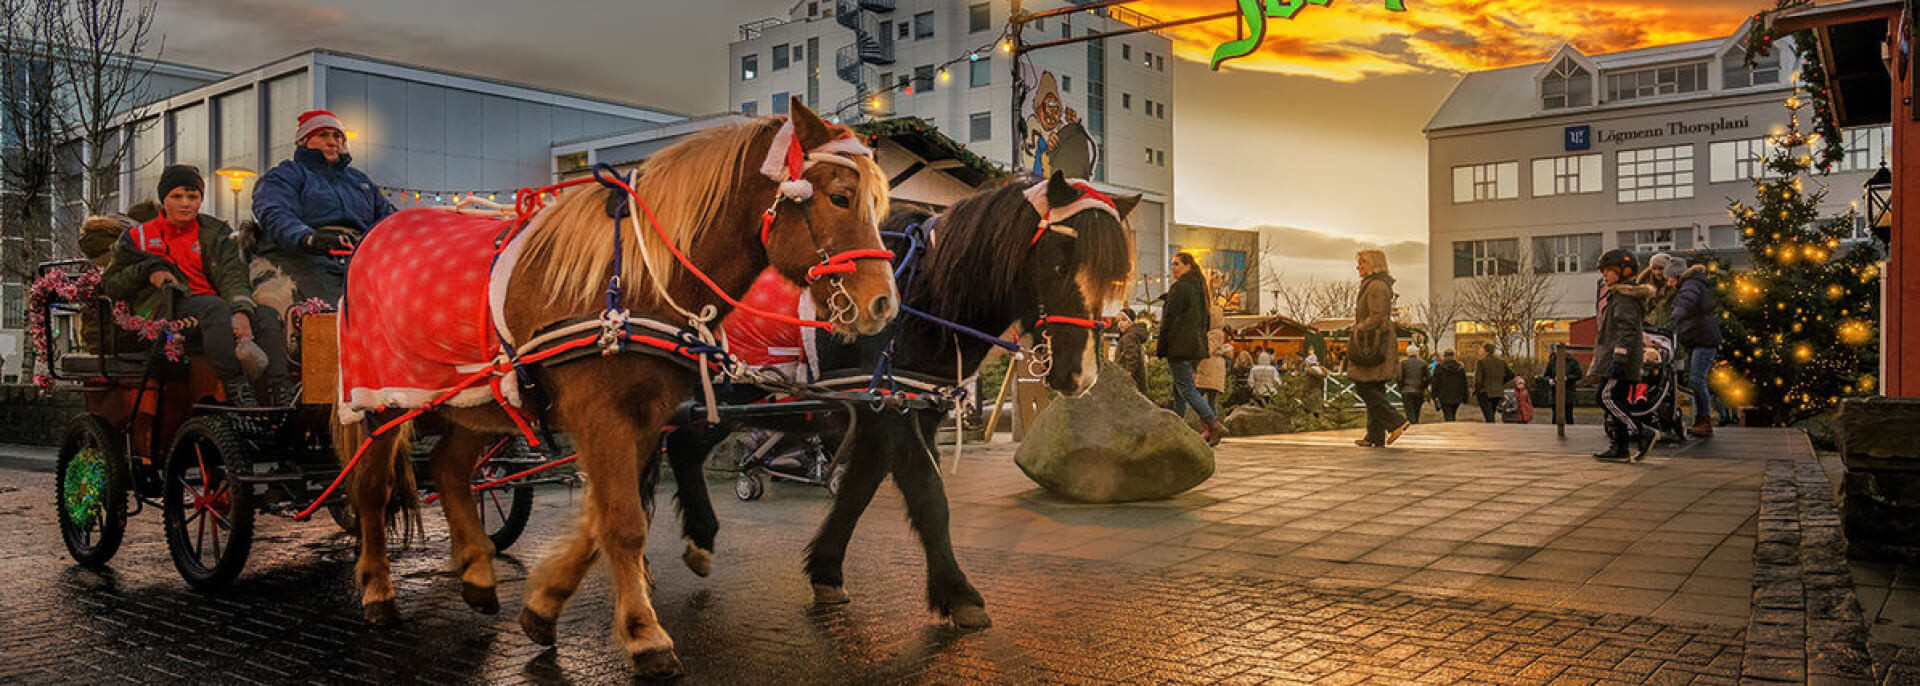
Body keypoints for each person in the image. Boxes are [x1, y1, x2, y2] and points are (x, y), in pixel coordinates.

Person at [103, 165, 294, 407]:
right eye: (177, 196)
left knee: (266, 315)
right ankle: (235, 387)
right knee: (213, 308)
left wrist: (241, 311)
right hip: (164, 309)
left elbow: (232, 275)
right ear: (164, 199)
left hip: (215, 308)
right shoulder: (137, 237)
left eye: (193, 197)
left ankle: (279, 389)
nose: (186, 203)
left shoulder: (215, 232)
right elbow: (110, 284)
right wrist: (145, 271)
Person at [251, 109, 398, 304]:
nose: (332, 141)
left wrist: (425, 224)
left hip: (361, 257)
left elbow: (389, 219)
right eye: (322, 135)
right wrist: (308, 237)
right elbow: (275, 212)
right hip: (307, 257)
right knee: (335, 307)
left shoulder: (359, 181)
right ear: (303, 141)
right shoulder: (285, 175)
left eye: (337, 136)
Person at [1586, 249, 1658, 461]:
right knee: (1616, 400)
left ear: (1623, 271)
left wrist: (1619, 357)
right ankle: (1620, 447)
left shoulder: (1624, 298)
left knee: (1605, 397)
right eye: (1603, 271)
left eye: (1609, 271)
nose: (1605, 275)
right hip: (1617, 358)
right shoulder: (1619, 295)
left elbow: (1626, 329)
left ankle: (1642, 432)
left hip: (1617, 360)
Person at [1157, 252, 1226, 444]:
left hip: (1179, 346)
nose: (1173, 267)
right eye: (1172, 264)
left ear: (1188, 266)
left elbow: (1170, 319)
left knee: (1186, 389)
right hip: (1195, 348)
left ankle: (1213, 423)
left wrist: (1163, 346)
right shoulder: (1201, 290)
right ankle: (1178, 428)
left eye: (1177, 264)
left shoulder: (1180, 288)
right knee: (1179, 390)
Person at [1348, 249, 1409, 448]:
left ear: (1374, 264)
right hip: (1374, 340)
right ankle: (1375, 436)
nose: (1358, 266)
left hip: (1373, 343)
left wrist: (1358, 329)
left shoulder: (1376, 286)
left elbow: (1377, 316)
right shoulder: (1373, 285)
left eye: (1362, 262)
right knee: (1374, 387)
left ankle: (1396, 422)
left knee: (1364, 386)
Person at [1667, 256, 1721, 437]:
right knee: (1696, 379)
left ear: (1676, 276)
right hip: (1698, 338)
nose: (1668, 283)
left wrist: (1675, 319)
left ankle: (1704, 420)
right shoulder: (1692, 283)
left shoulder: (1690, 285)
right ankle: (1702, 418)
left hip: (1703, 339)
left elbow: (1686, 302)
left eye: (1669, 279)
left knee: (1697, 379)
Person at [1195, 304, 1230, 414]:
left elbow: (1207, 349)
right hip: (1210, 370)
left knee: (1202, 398)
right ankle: (1210, 424)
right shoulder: (1217, 333)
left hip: (1208, 370)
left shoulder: (1215, 333)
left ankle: (1211, 424)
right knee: (1210, 400)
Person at [1536, 353, 1584, 425]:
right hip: (1555, 393)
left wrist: (1567, 378)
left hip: (1568, 393)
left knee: (1568, 415)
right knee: (1555, 416)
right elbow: (1546, 375)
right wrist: (1549, 380)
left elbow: (1579, 375)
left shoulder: (1572, 362)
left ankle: (1571, 432)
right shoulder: (1552, 362)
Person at [1113, 308, 1150, 395]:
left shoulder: (1129, 337)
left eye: (1124, 320)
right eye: (1118, 321)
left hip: (1131, 377)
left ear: (1131, 321)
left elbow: (1132, 356)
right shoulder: (1129, 335)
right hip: (1135, 376)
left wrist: (1128, 373)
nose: (1120, 323)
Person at [1473, 343, 1512, 423]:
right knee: (1491, 413)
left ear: (1485, 351)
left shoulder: (1481, 362)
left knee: (1489, 416)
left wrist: (1477, 390)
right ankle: (1492, 428)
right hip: (1498, 392)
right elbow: (1511, 374)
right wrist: (1501, 382)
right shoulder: (1502, 362)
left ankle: (1491, 430)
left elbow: (1478, 380)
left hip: (1485, 392)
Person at [1431, 349, 1469, 421]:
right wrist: (1465, 396)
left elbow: (1435, 383)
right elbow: (1464, 383)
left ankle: (1450, 427)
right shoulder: (1460, 368)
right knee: (1453, 413)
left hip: (1444, 395)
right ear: (1454, 356)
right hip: (1457, 395)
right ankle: (1452, 425)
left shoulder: (1439, 367)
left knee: (1447, 414)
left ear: (1444, 356)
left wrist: (1434, 395)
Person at [1644, 252, 1677, 329]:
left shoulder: (1675, 286)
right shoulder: (1645, 285)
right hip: (1649, 327)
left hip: (1668, 328)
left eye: (1660, 268)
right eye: (1654, 269)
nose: (1657, 272)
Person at [1397, 345, 1430, 423]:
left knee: (1409, 412)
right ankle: (1415, 424)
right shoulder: (1423, 363)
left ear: (1407, 353)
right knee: (1417, 411)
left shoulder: (1402, 363)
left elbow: (1399, 377)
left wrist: (1401, 388)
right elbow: (1428, 378)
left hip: (1406, 390)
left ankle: (1413, 426)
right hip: (1419, 390)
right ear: (1417, 353)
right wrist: (1423, 387)